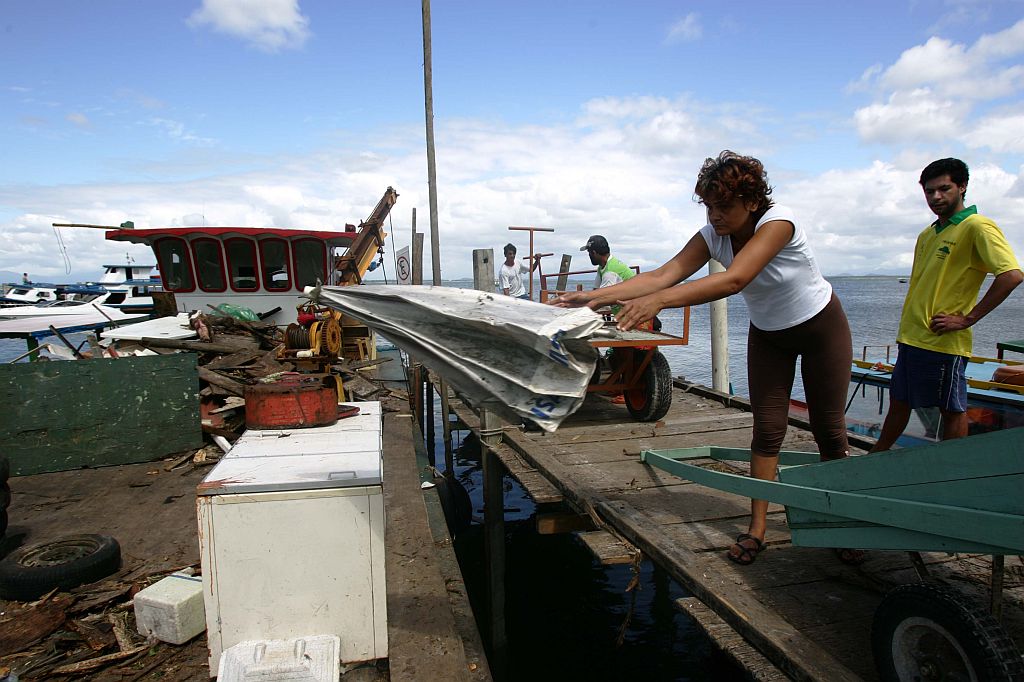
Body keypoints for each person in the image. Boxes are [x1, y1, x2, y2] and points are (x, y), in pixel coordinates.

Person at [554, 151, 854, 566]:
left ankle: (844, 522)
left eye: (724, 206)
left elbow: (734, 279)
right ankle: (757, 529)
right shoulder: (713, 234)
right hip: (769, 336)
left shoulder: (778, 221)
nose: (714, 215)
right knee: (767, 430)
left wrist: (657, 302)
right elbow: (663, 274)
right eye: (709, 206)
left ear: (751, 201)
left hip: (820, 327)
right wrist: (590, 296)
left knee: (830, 431)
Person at [871, 159, 1022, 451]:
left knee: (951, 408)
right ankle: (876, 456)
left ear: (962, 187)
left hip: (943, 341)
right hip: (912, 337)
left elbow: (1012, 275)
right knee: (899, 401)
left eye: (944, 189)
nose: (936, 197)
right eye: (929, 192)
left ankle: (952, 468)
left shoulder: (977, 226)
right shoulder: (928, 234)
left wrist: (967, 319)